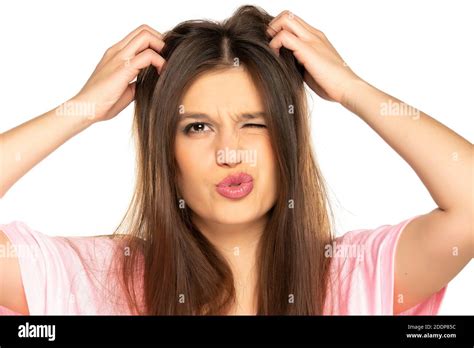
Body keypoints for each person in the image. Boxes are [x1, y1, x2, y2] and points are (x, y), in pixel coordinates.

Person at [0, 6, 471, 315]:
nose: (229, 152)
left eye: (255, 123)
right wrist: (82, 109)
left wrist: (353, 89)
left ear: (286, 139)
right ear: (166, 150)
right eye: (197, 127)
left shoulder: (352, 276)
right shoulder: (97, 280)